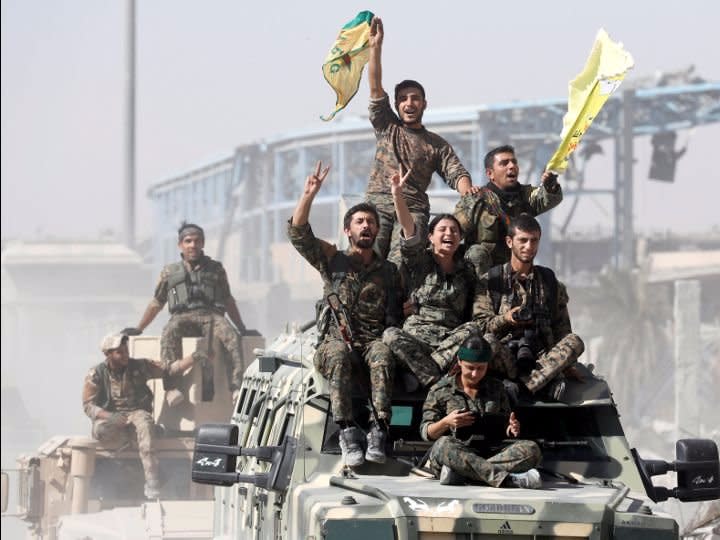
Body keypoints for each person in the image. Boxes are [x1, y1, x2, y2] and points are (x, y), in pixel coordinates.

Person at [287, 161, 401, 467]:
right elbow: (299, 235)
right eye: (360, 221)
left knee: (383, 354)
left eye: (371, 222)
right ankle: (348, 431)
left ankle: (379, 430)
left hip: (370, 342)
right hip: (334, 343)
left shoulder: (389, 271)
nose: (366, 226)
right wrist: (308, 195)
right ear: (347, 229)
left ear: (377, 230)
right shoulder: (333, 260)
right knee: (337, 355)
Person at [366, 16, 476, 265]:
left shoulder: (435, 144)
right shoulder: (387, 126)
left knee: (401, 265)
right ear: (396, 104)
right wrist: (376, 48)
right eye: (403, 99)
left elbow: (456, 172)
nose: (409, 103)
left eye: (415, 98)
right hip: (379, 206)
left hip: (412, 209)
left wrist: (468, 191)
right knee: (367, 261)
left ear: (424, 104)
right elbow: (374, 87)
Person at [382, 166, 484, 389]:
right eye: (443, 230)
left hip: (449, 342)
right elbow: (409, 230)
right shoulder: (420, 261)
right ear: (430, 237)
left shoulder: (466, 270)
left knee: (474, 330)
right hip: (416, 338)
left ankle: (424, 374)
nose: (449, 234)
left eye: (455, 231)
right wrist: (398, 195)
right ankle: (437, 383)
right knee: (390, 335)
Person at [123, 222, 247, 398]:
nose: (193, 245)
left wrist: (241, 327)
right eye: (188, 241)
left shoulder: (216, 269)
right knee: (169, 333)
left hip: (210, 317)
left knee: (231, 336)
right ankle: (172, 387)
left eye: (197, 241)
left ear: (203, 243)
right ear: (180, 244)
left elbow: (228, 299)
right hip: (182, 316)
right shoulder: (169, 272)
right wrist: (139, 328)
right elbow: (157, 302)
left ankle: (236, 386)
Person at [476, 214, 585, 401]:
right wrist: (506, 318)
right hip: (505, 358)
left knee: (574, 341)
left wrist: (565, 365)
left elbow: (562, 328)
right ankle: (540, 384)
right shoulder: (491, 280)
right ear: (510, 242)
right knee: (486, 340)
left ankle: (525, 388)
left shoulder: (549, 281)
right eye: (523, 240)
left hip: (541, 359)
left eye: (534, 241)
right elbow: (480, 325)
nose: (529, 246)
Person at [82, 332, 202, 498]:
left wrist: (194, 357)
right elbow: (88, 406)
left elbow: (170, 369)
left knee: (145, 426)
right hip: (111, 417)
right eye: (119, 352)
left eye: (126, 350)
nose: (125, 355)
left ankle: (152, 482)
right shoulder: (96, 374)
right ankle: (132, 437)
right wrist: (110, 417)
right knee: (100, 431)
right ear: (108, 354)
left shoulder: (140, 366)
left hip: (136, 412)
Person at [420, 336, 542, 488]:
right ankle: (508, 480)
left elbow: (505, 423)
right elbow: (427, 432)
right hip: (456, 451)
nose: (475, 374)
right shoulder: (439, 390)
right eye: (470, 368)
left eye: (481, 368)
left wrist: (511, 428)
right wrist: (446, 422)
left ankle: (462, 474)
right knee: (443, 444)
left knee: (531, 449)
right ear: (459, 361)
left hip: (489, 451)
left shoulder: (497, 388)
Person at [454, 145, 563, 278]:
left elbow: (548, 199)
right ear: (490, 174)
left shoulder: (526, 196)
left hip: (515, 275)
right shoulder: (476, 200)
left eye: (514, 162)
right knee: (477, 253)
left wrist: (550, 185)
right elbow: (452, 235)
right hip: (483, 281)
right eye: (504, 163)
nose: (512, 166)